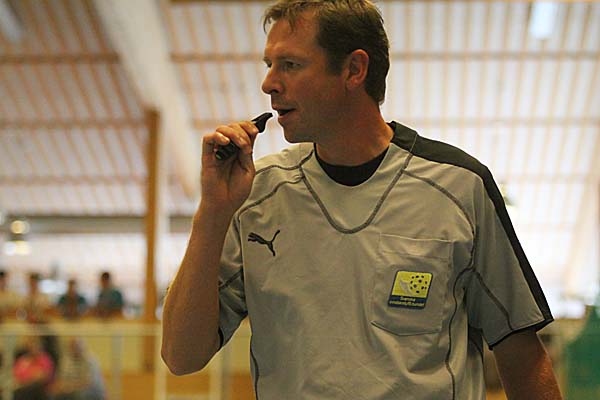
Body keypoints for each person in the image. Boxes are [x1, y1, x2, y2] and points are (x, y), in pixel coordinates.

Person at [161, 1, 563, 398]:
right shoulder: (253, 194)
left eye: (290, 65)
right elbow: (181, 357)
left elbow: (522, 356)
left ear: (354, 69)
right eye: (269, 64)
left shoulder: (460, 187)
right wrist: (212, 213)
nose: (269, 83)